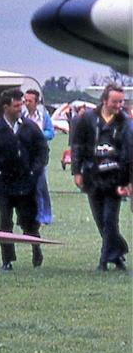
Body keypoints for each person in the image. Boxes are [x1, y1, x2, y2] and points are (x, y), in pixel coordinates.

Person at [0, 88, 47, 271]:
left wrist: (35, 172)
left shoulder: (30, 127)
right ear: (5, 107)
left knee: (29, 222)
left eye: (21, 105)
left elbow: (42, 151)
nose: (20, 109)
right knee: (5, 223)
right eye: (16, 106)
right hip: (3, 186)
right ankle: (7, 261)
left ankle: (35, 248)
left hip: (26, 185)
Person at [70, 83, 132, 272]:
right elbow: (77, 146)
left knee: (109, 219)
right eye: (115, 101)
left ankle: (104, 261)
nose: (118, 105)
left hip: (115, 178)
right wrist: (77, 172)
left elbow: (129, 153)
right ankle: (118, 252)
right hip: (92, 176)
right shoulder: (87, 119)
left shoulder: (125, 122)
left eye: (121, 101)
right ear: (104, 100)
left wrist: (127, 181)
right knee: (100, 220)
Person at [22, 88, 55, 225]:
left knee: (41, 185)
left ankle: (45, 216)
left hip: (40, 156)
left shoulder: (43, 117)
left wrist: (38, 134)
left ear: (36, 102)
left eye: (30, 101)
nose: (27, 103)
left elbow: (51, 133)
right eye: (25, 100)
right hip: (25, 156)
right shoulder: (22, 116)